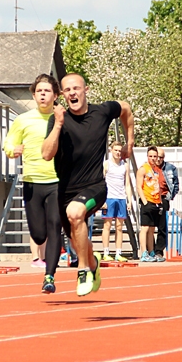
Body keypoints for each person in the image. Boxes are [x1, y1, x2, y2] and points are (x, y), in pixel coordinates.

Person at [42, 73, 134, 296]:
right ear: (62, 95)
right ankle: (93, 263)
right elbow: (46, 154)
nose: (72, 93)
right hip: (66, 190)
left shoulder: (101, 112)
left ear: (86, 90)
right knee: (76, 238)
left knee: (76, 213)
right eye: (67, 90)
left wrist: (129, 141)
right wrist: (58, 125)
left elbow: (126, 109)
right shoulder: (57, 120)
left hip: (95, 186)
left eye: (76, 88)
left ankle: (83, 270)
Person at [4, 74, 63, 294]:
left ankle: (50, 276)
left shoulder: (61, 118)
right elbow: (9, 141)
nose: (43, 95)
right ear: (34, 94)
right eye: (39, 91)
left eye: (47, 91)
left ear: (55, 95)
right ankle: (44, 253)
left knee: (55, 226)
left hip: (57, 182)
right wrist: (13, 150)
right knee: (39, 234)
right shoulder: (23, 120)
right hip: (32, 182)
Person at [102, 141, 131, 262]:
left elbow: (127, 184)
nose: (118, 153)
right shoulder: (106, 164)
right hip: (109, 197)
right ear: (111, 150)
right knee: (107, 225)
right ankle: (106, 252)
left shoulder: (125, 165)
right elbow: (101, 183)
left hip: (121, 198)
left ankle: (119, 252)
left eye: (120, 151)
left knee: (119, 226)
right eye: (116, 150)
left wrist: (129, 200)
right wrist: (102, 200)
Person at [136, 147, 165, 262]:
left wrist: (160, 201)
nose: (153, 158)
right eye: (150, 156)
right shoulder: (143, 169)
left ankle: (151, 252)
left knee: (152, 229)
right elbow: (138, 186)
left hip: (156, 201)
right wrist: (145, 202)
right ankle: (143, 252)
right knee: (145, 228)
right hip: (147, 201)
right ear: (147, 156)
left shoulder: (156, 170)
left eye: (154, 156)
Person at [154, 148, 179, 261]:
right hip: (151, 198)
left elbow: (176, 184)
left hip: (163, 198)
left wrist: (170, 195)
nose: (158, 159)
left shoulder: (170, 168)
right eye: (157, 157)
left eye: (161, 157)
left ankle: (159, 250)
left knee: (162, 226)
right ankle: (149, 250)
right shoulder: (148, 167)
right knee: (148, 227)